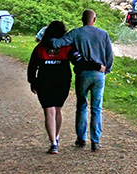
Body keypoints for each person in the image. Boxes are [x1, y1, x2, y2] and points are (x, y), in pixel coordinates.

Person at [50, 10, 114, 151]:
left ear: (82, 19)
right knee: (97, 108)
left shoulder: (76, 33)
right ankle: (95, 141)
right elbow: (110, 56)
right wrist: (106, 71)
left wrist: (47, 38)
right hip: (99, 74)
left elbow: (59, 43)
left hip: (83, 74)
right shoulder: (103, 34)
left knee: (82, 106)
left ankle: (81, 138)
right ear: (94, 19)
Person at [28, 21, 92, 154]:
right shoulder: (67, 47)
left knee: (49, 111)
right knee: (57, 110)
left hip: (43, 81)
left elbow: (32, 66)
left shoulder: (40, 47)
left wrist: (32, 82)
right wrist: (93, 67)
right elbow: (78, 61)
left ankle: (53, 143)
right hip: (62, 81)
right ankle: (55, 137)